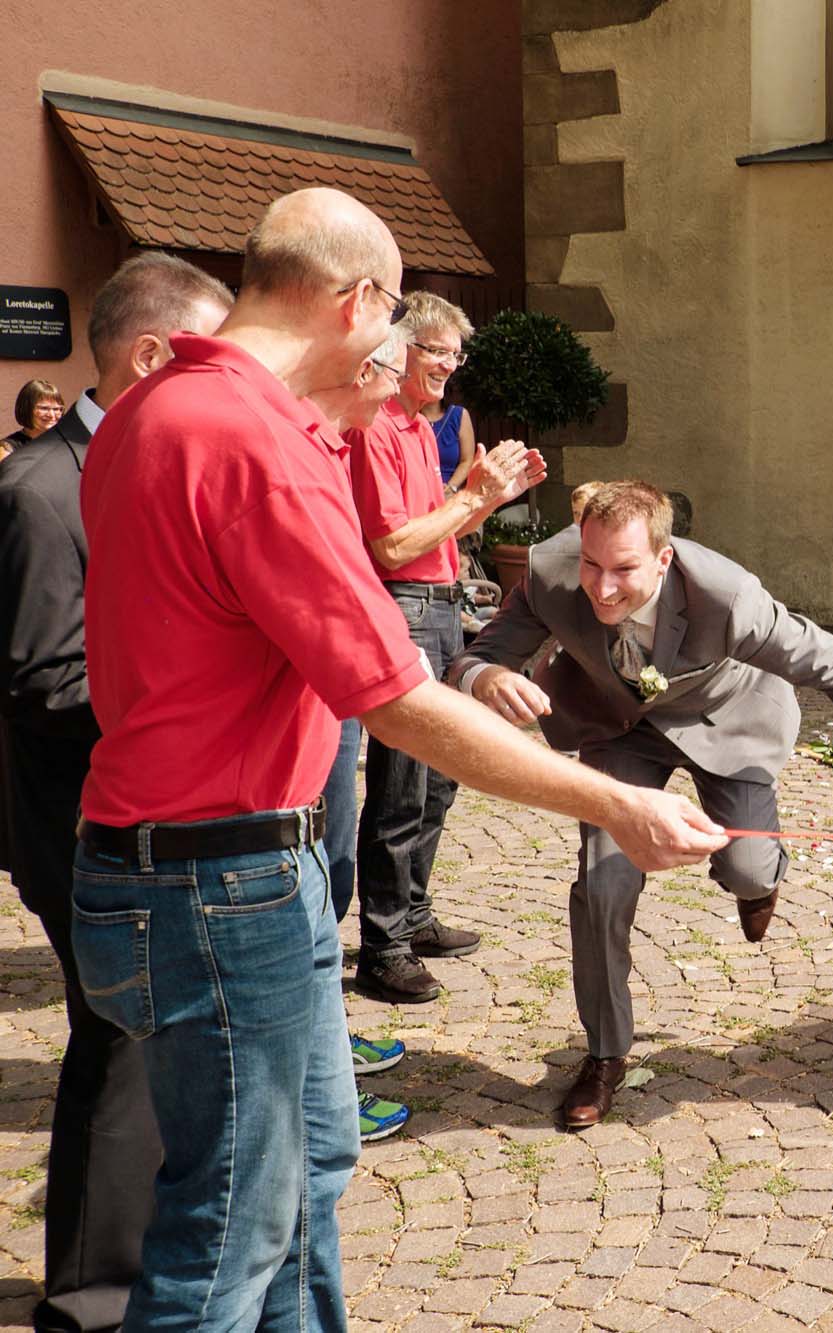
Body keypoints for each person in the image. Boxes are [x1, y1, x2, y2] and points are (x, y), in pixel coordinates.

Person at [70, 187, 727, 1331]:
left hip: (165, 861)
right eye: (390, 328)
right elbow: (397, 702)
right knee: (227, 1236)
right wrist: (611, 801)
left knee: (307, 1173)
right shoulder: (250, 438)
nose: (392, 355)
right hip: (223, 880)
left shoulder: (146, 408)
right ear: (357, 301)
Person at [451, 480, 833, 1127]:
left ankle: (762, 877)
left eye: (624, 570)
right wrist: (486, 675)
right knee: (603, 883)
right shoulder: (549, 572)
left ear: (662, 559)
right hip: (617, 729)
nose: (601, 588)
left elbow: (825, 659)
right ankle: (604, 1054)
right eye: (592, 565)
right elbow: (475, 658)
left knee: (746, 865)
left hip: (728, 718)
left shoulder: (727, 595)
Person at [0, 252, 230, 1333]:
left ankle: (119, 1274)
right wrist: (194, 679)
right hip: (75, 822)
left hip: (137, 815)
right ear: (149, 358)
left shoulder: (128, 466)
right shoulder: (45, 487)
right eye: (201, 360)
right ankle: (88, 1301)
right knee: (120, 1041)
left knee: (135, 1039)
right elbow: (47, 680)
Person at [347, 291, 546, 1004]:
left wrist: (494, 493)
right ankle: (383, 945)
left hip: (439, 605)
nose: (448, 367)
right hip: (401, 607)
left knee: (440, 775)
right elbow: (394, 544)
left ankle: (416, 913)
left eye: (455, 355)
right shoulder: (376, 427)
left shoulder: (415, 428)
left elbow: (443, 530)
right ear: (397, 350)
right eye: (436, 351)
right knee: (402, 782)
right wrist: (472, 499)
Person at [305, 333, 418, 1144]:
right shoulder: (298, 447)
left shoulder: (325, 442)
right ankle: (323, 1088)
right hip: (304, 722)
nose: (402, 394)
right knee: (315, 881)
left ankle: (329, 1049)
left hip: (328, 710)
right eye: (398, 373)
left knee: (332, 869)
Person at [4, 378, 64, 457]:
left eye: (56, 409)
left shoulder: (66, 444)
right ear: (26, 409)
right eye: (44, 408)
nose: (52, 415)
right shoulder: (7, 449)